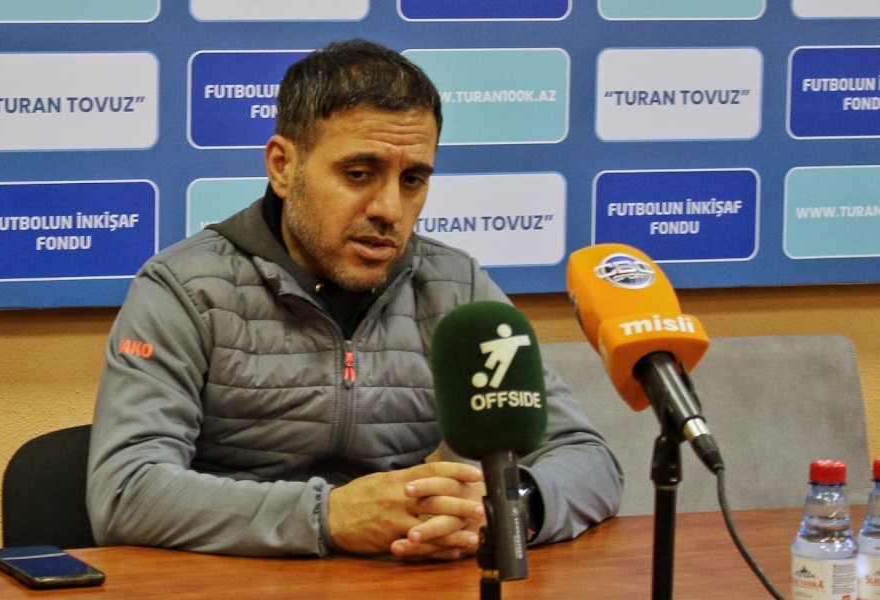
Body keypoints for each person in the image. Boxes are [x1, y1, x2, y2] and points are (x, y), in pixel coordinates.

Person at [87, 39, 623, 560]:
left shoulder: (455, 287)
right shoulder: (186, 288)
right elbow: (125, 491)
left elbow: (588, 458)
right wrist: (329, 517)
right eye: (359, 174)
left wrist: (506, 509)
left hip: (400, 579)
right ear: (283, 166)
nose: (389, 208)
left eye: (412, 179)